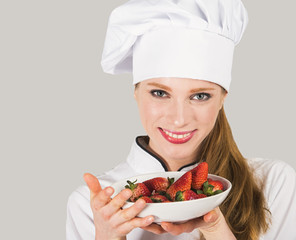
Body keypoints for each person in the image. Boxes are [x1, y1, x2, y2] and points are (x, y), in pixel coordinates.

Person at [66, 0, 296, 239]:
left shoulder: (273, 183)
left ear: (222, 99)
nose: (179, 119)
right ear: (136, 93)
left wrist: (216, 228)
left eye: (200, 96)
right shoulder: (93, 204)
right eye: (160, 93)